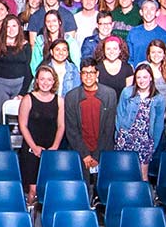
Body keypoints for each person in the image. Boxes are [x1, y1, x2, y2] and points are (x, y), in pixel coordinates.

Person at [61, 60, 119, 176]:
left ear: (97, 74)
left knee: (103, 189)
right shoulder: (71, 97)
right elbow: (71, 130)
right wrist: (85, 154)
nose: (88, 76)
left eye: (91, 72)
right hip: (79, 151)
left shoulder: (110, 94)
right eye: (85, 73)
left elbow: (109, 129)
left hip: (103, 150)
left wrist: (97, 156)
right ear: (80, 75)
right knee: (82, 189)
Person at [15, 64, 64, 200]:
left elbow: (61, 126)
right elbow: (23, 125)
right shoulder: (28, 99)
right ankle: (29, 218)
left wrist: (54, 147)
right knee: (33, 191)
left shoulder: (59, 101)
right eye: (42, 79)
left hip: (51, 149)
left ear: (54, 81)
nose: (45, 83)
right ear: (36, 80)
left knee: (50, 190)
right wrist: (34, 147)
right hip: (31, 149)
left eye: (49, 79)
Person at [113, 62, 166, 179]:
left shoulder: (159, 99)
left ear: (151, 78)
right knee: (124, 173)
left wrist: (154, 143)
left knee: (143, 175)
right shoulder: (127, 92)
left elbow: (158, 124)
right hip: (126, 137)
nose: (142, 80)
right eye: (138, 77)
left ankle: (144, 196)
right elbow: (119, 114)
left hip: (145, 140)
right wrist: (119, 134)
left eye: (145, 77)